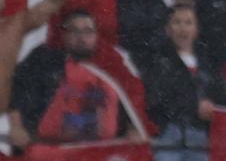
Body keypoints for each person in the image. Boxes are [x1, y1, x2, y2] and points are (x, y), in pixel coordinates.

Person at [8, 10, 146, 148]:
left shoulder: (113, 64)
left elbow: (133, 101)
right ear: (64, 34)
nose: (81, 37)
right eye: (74, 30)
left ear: (97, 35)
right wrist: (16, 127)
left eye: (88, 31)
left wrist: (134, 129)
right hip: (47, 149)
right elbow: (14, 89)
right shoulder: (44, 59)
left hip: (102, 153)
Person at [141, 3, 226, 161]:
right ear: (168, 28)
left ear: (196, 29)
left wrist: (213, 109)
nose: (183, 28)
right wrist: (192, 107)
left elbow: (222, 95)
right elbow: (157, 99)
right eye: (177, 22)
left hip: (199, 137)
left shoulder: (208, 64)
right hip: (169, 137)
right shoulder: (158, 61)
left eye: (188, 23)